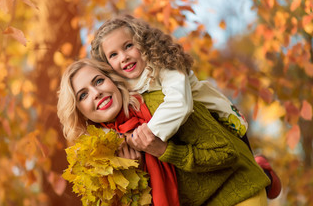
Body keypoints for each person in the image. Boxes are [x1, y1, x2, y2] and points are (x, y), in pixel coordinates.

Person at [90, 14, 281, 199]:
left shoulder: (163, 65)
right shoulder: (123, 85)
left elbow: (179, 103)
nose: (123, 57)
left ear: (143, 42)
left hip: (215, 118)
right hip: (185, 136)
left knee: (242, 152)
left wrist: (146, 135)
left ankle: (261, 168)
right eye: (113, 55)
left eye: (129, 46)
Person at [57, 58, 271, 206]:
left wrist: (164, 150)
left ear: (113, 80)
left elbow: (228, 153)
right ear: (80, 113)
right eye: (83, 95)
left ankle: (260, 169)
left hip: (238, 189)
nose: (96, 93)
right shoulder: (102, 157)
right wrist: (136, 171)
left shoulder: (161, 104)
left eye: (99, 81)